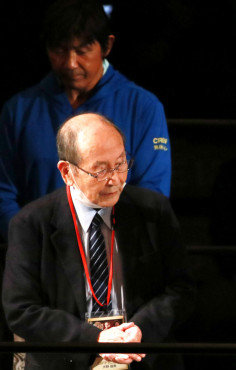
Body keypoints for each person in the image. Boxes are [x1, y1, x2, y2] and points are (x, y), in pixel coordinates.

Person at [1, 113, 194, 370]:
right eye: (100, 169)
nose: (115, 179)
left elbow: (181, 289)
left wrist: (142, 327)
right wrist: (95, 339)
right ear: (67, 171)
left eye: (121, 164)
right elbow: (21, 311)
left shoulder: (152, 211)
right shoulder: (32, 224)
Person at [0, 0, 172, 242]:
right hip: (36, 253)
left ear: (107, 46)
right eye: (60, 50)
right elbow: (3, 191)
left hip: (115, 253)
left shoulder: (143, 107)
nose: (71, 63)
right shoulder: (18, 110)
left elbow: (151, 193)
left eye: (82, 51)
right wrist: (30, 243)